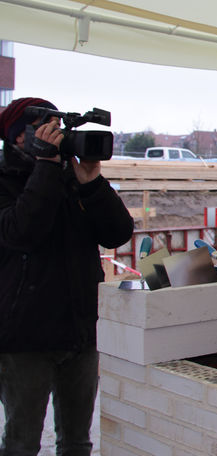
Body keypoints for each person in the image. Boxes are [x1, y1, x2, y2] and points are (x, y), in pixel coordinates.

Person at [0, 97, 134, 455]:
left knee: (77, 441)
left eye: (58, 129)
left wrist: (92, 184)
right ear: (18, 137)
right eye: (45, 129)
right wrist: (45, 167)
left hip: (80, 331)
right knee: (21, 443)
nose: (56, 137)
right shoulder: (5, 180)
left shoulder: (71, 178)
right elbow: (21, 232)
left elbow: (118, 233)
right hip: (24, 338)